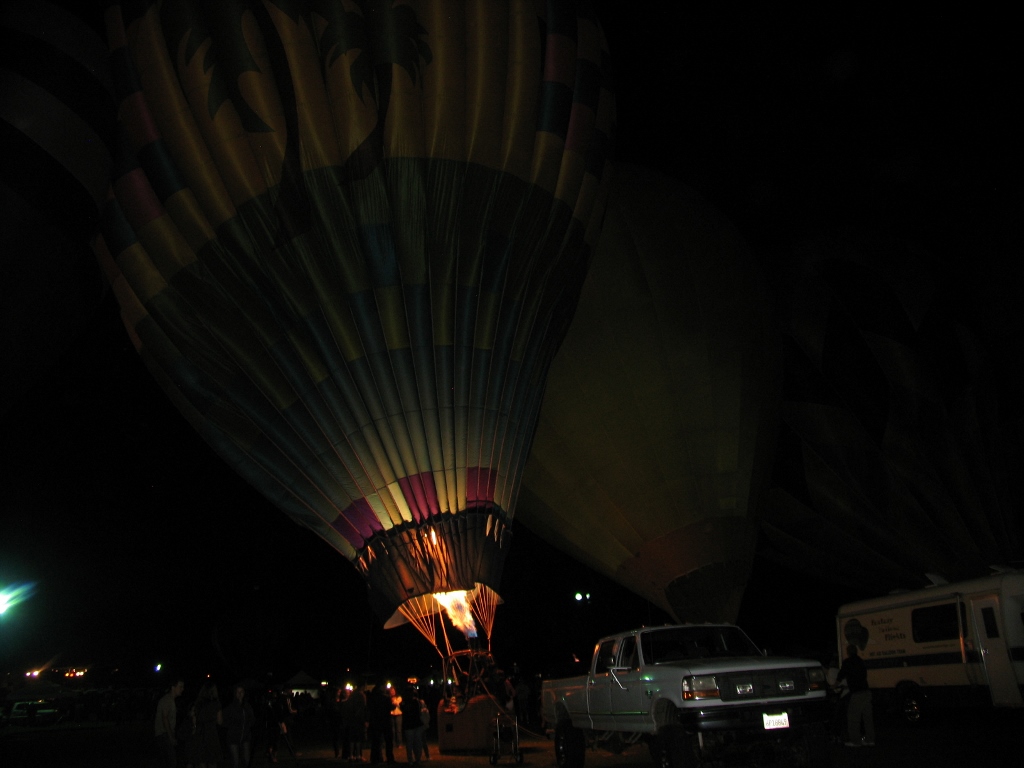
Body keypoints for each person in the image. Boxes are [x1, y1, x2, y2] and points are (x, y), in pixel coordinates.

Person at [836, 644, 875, 747]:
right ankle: (870, 739)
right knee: (868, 718)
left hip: (857, 693)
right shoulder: (861, 661)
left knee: (853, 717)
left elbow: (840, 676)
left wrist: (834, 685)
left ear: (848, 652)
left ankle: (855, 741)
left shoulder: (847, 662)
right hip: (866, 691)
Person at [190, 680, 223, 768]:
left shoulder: (198, 704)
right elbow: (220, 721)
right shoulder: (216, 704)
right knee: (212, 761)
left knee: (201, 760)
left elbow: (194, 719)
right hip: (211, 733)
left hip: (200, 733)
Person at [154, 677, 185, 768]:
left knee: (168, 762)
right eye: (180, 687)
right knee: (171, 762)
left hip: (164, 735)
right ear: (173, 687)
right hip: (164, 735)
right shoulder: (168, 700)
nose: (182, 689)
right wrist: (171, 736)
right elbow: (165, 718)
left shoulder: (170, 700)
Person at [223, 684, 255, 768]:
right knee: (235, 761)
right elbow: (224, 720)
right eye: (238, 692)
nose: (239, 694)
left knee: (246, 760)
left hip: (245, 737)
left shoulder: (247, 706)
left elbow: (252, 720)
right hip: (233, 737)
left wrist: (248, 727)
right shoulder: (231, 707)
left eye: (241, 692)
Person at [367, 681, 395, 764]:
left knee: (376, 741)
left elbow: (370, 708)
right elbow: (390, 707)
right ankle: (389, 758)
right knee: (388, 741)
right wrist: (393, 705)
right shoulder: (385, 697)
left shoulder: (372, 697)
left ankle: (375, 758)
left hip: (375, 721)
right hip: (385, 721)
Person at [342, 684, 368, 761]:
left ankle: (352, 755)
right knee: (358, 739)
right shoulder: (360, 696)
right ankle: (357, 755)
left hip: (352, 720)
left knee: (353, 739)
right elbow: (364, 708)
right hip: (357, 720)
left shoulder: (351, 698)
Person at [400, 687, 423, 764]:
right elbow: (418, 712)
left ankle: (411, 759)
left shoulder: (404, 703)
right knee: (417, 743)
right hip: (415, 724)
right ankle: (417, 759)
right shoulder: (415, 702)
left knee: (410, 743)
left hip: (409, 725)